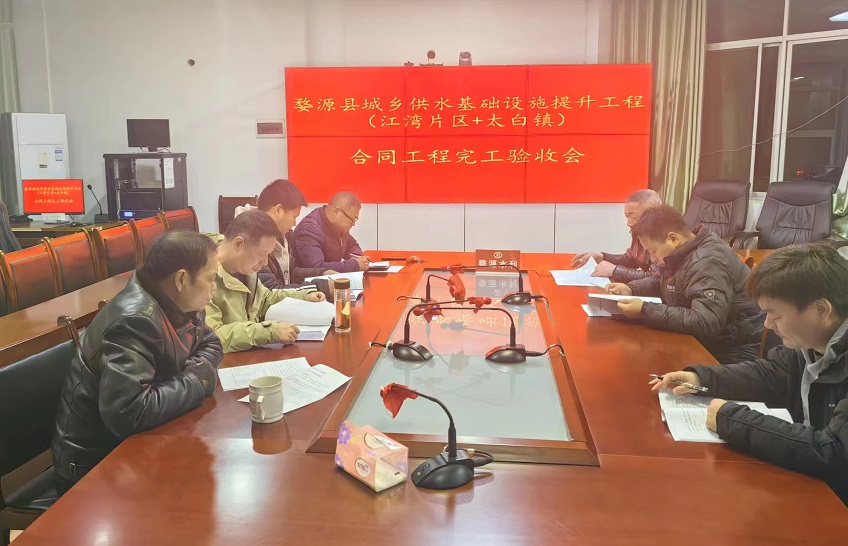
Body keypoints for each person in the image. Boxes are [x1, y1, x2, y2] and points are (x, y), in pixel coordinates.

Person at [651, 243, 848, 504]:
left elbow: (834, 452)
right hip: (807, 482)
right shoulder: (808, 342)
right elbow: (772, 373)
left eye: (775, 315)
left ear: (821, 310)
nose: (767, 324)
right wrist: (702, 379)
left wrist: (732, 419)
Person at [52, 231, 223, 485]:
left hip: (144, 443)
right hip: (95, 464)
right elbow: (129, 412)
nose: (214, 288)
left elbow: (210, 342)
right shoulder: (134, 321)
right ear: (181, 279)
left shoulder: (181, 304)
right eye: (210, 279)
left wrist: (192, 373)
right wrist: (196, 381)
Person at [607, 205, 763, 363]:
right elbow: (660, 281)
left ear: (673, 239)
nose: (652, 258)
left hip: (733, 352)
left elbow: (704, 323)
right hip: (704, 343)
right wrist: (631, 289)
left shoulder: (708, 263)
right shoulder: (679, 253)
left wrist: (645, 309)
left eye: (653, 251)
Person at [206, 209, 325, 353]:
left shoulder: (244, 269)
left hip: (248, 353)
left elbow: (264, 298)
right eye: (262, 254)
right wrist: (269, 332)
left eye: (268, 254)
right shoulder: (202, 277)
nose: (265, 262)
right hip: (227, 361)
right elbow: (212, 337)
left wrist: (303, 295)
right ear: (238, 244)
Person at [235, 179, 335, 290]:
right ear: (278, 210)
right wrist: (323, 287)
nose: (294, 223)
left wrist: (322, 273)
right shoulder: (252, 238)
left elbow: (289, 273)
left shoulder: (282, 236)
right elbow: (271, 291)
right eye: (294, 217)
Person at [571, 189, 662, 282]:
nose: (629, 223)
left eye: (633, 217)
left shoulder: (663, 238)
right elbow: (631, 259)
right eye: (627, 217)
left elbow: (654, 278)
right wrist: (601, 257)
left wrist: (614, 271)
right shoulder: (640, 231)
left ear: (653, 216)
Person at [292, 191, 370, 273]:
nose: (353, 224)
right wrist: (354, 265)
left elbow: (352, 246)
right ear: (336, 212)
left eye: (355, 220)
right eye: (352, 220)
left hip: (330, 279)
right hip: (310, 280)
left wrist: (356, 257)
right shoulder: (310, 230)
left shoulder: (337, 226)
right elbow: (317, 268)